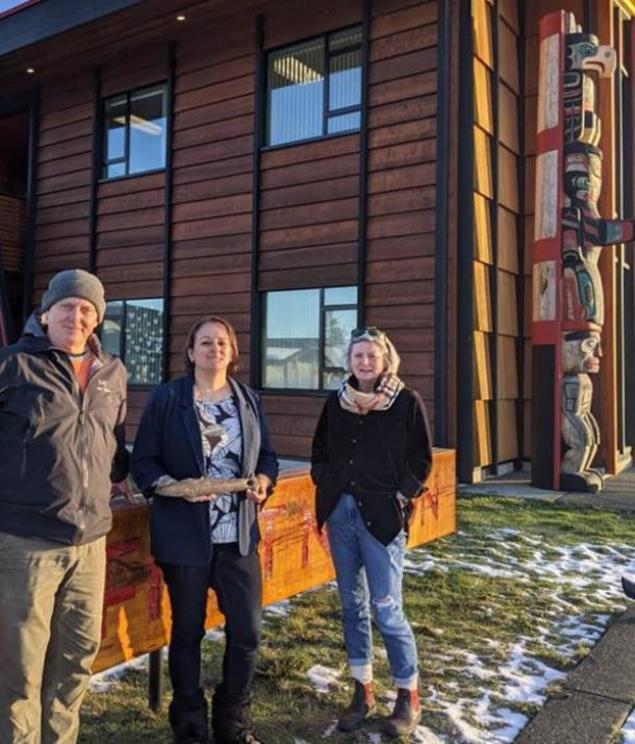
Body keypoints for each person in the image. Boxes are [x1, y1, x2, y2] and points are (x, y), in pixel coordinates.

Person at [131, 315, 278, 744]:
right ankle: (190, 726)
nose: (214, 349)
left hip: (238, 536)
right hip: (185, 538)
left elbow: (266, 455)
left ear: (232, 353)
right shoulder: (167, 398)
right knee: (188, 632)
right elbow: (143, 462)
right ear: (191, 351)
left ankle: (233, 724)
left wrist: (264, 482)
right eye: (206, 342)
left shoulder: (247, 399)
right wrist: (173, 488)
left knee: (247, 630)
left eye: (222, 343)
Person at [0, 269, 130, 744]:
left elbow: (111, 443)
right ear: (45, 313)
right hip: (25, 544)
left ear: (96, 319)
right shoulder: (14, 366)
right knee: (20, 668)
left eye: (87, 309)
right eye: (67, 306)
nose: (76, 316)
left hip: (90, 543)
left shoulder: (112, 373)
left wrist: (129, 475)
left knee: (75, 662)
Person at [311, 326, 432, 738]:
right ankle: (363, 691)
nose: (365, 362)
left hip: (381, 517)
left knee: (387, 608)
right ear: (349, 360)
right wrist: (324, 486)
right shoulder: (336, 402)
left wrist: (400, 497)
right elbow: (320, 452)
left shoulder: (406, 402)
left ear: (385, 360)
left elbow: (421, 459)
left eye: (372, 356)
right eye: (358, 355)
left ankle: (407, 695)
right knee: (352, 606)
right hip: (341, 513)